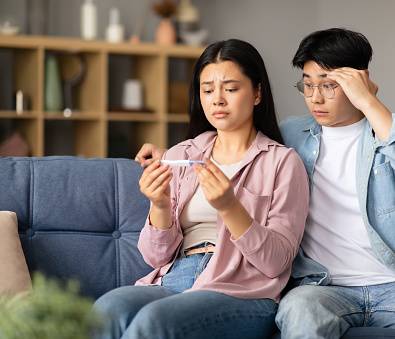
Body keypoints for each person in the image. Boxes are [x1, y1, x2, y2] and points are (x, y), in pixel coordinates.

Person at [135, 28, 395, 338]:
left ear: (360, 81)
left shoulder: (393, 133)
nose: (315, 98)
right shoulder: (294, 134)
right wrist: (170, 155)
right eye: (307, 85)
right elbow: (235, 145)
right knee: (299, 313)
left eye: (329, 85)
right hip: (321, 287)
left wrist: (369, 101)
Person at [93, 38, 309, 339]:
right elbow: (155, 258)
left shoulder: (283, 163)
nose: (217, 99)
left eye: (230, 89)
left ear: (257, 93)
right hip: (175, 278)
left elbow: (276, 263)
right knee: (106, 310)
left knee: (156, 322)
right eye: (207, 90)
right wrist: (160, 205)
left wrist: (229, 206)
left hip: (242, 291)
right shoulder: (182, 155)